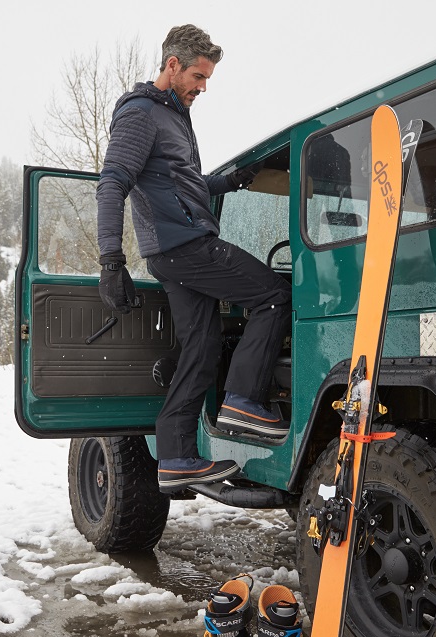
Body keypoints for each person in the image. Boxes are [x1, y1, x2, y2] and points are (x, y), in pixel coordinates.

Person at [96, 24, 291, 490]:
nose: (203, 87)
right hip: (183, 246)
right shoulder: (142, 115)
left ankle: (177, 456)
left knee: (200, 349)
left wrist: (228, 181)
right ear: (172, 65)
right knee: (273, 295)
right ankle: (245, 399)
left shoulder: (174, 114)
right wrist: (110, 261)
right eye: (199, 77)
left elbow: (180, 185)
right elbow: (112, 183)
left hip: (175, 248)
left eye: (207, 79)